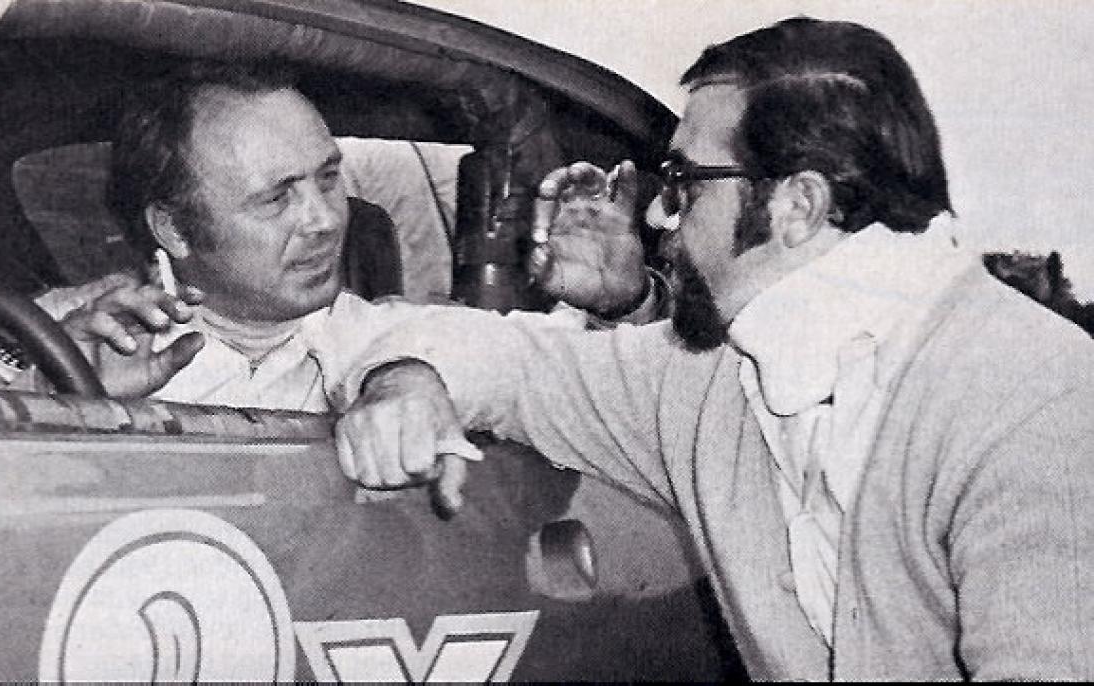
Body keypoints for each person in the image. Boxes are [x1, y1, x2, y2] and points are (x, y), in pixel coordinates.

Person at [332, 17, 1094, 680]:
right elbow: (513, 362)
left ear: (797, 206)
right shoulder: (712, 380)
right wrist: (408, 378)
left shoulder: (1034, 397)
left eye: (683, 182)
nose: (659, 216)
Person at [0, 62, 659, 417]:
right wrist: (51, 394)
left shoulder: (396, 335)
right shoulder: (56, 331)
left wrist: (624, 304)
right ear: (172, 226)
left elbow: (603, 387)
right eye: (277, 197)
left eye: (329, 179)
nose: (325, 219)